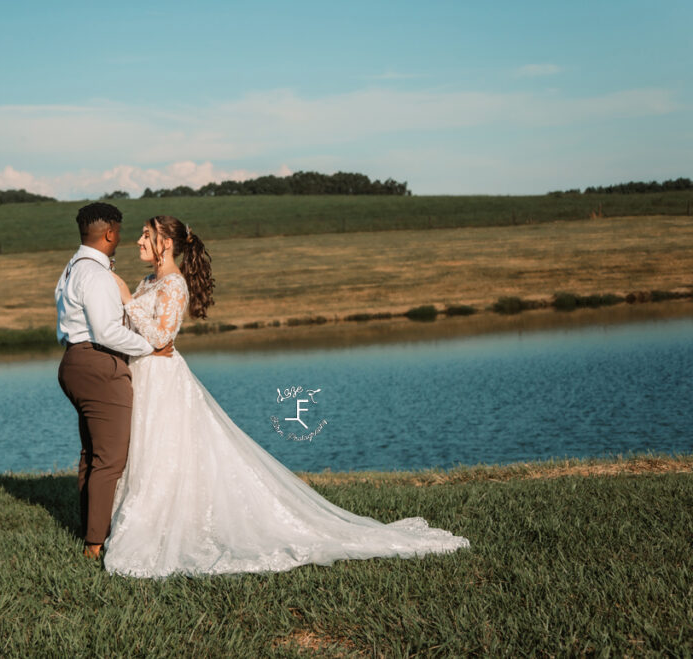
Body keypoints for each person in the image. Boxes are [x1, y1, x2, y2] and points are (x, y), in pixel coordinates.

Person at [102, 215, 470, 578]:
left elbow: (163, 338)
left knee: (168, 451)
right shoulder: (148, 280)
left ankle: (166, 527)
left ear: (166, 244)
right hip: (143, 374)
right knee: (148, 451)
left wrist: (126, 300)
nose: (138, 241)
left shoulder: (174, 285)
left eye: (146, 235)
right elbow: (139, 330)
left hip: (164, 379)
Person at [55, 203, 174, 561]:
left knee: (92, 454)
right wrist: (149, 347)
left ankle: (90, 529)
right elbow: (107, 331)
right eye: (120, 232)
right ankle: (95, 544)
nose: (123, 238)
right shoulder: (95, 275)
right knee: (110, 460)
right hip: (98, 365)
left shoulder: (72, 268)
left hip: (74, 362)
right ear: (109, 233)